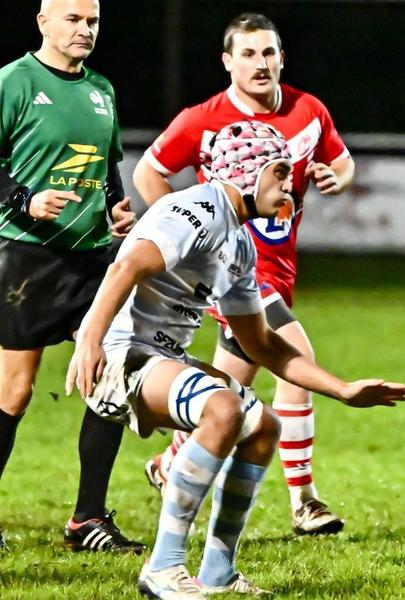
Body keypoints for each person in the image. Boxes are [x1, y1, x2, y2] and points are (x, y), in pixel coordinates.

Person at [67, 120, 405, 598]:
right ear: (248, 172)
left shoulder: (238, 241)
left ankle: (218, 572)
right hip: (123, 357)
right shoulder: (199, 209)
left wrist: (343, 389)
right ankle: (163, 567)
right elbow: (128, 263)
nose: (290, 185)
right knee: (223, 408)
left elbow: (263, 345)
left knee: (264, 426)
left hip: (161, 356)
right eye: (281, 173)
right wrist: (90, 338)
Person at [133, 12, 356, 535]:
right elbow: (148, 171)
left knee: (230, 388)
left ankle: (169, 464)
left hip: (277, 268)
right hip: (233, 272)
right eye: (248, 54)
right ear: (227, 62)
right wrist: (189, 236)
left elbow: (344, 162)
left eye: (268, 52)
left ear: (282, 58)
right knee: (294, 356)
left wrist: (335, 177)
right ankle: (305, 501)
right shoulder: (203, 119)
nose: (260, 63)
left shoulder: (308, 110)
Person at [0, 0, 140, 553]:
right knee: (15, 391)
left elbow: (106, 167)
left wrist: (117, 207)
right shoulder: (14, 81)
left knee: (109, 380)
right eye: (74, 19)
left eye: (93, 21)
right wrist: (25, 200)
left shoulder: (102, 88)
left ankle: (88, 521)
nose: (86, 30)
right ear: (43, 22)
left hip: (93, 259)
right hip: (27, 259)